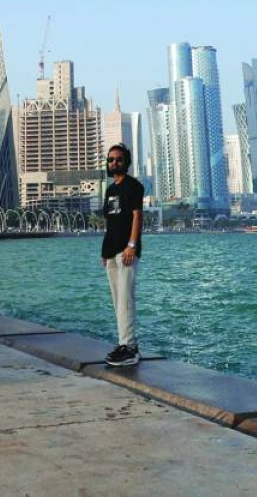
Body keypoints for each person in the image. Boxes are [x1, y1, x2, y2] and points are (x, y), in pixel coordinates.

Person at [100, 144, 144, 367]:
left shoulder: (133, 186)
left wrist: (132, 245)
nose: (114, 163)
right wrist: (104, 252)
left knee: (126, 298)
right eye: (110, 160)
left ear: (126, 161)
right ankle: (124, 343)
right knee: (118, 301)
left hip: (127, 251)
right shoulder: (109, 190)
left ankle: (130, 348)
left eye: (118, 159)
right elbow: (110, 223)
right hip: (111, 252)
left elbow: (137, 217)